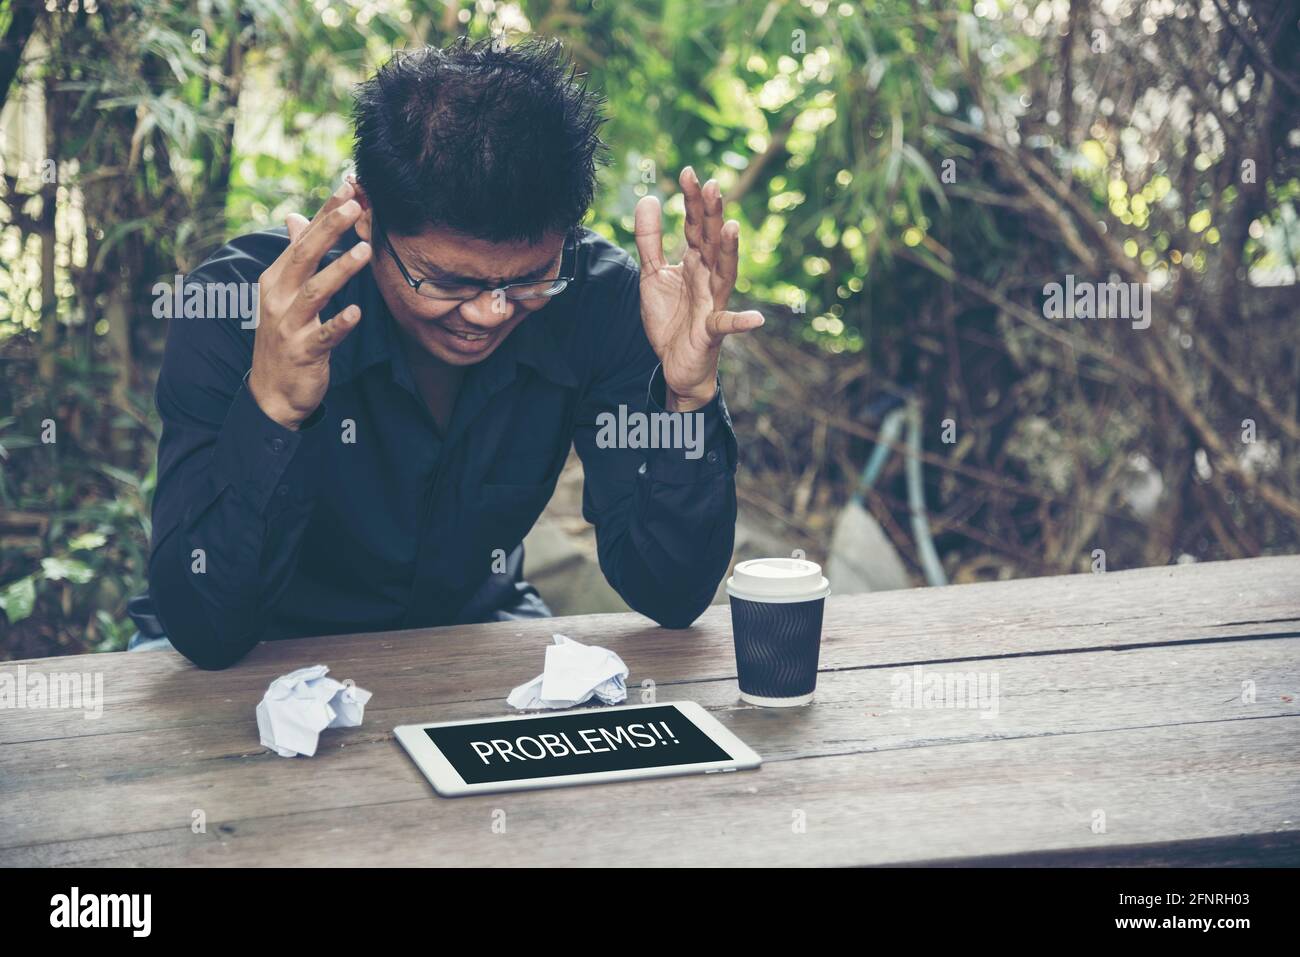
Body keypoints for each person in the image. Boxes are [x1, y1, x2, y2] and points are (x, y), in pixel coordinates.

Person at [141, 37, 763, 670]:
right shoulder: (243, 306)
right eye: (446, 283)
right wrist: (271, 408)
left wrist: (685, 402)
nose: (490, 312)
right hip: (261, 645)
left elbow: (673, 594)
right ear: (366, 214)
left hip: (475, 626)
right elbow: (205, 628)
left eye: (527, 279)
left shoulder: (601, 299)